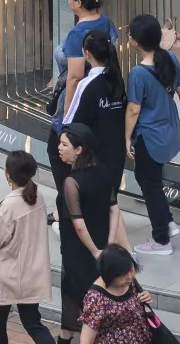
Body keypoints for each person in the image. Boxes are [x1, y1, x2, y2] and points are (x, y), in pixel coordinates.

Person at [124, 12, 180, 254]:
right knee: (155, 180)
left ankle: (161, 239)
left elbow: (133, 110)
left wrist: (126, 137)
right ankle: (168, 221)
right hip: (171, 132)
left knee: (149, 184)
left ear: (135, 41)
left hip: (150, 138)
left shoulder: (138, 73)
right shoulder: (171, 60)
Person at [54, 124, 129, 343]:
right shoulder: (103, 172)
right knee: (97, 293)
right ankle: (73, 335)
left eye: (64, 144)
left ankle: (69, 337)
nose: (59, 147)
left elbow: (78, 224)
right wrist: (108, 243)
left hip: (79, 250)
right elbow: (114, 208)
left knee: (75, 294)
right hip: (101, 246)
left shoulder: (72, 182)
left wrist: (95, 251)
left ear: (79, 150)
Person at [0, 149, 57, 344]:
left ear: (8, 174)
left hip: (7, 272)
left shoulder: (9, 205)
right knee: (33, 323)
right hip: (32, 273)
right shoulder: (38, 197)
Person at [53, 31, 127, 193]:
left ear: (86, 53)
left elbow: (71, 122)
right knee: (110, 200)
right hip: (116, 151)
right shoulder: (117, 79)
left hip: (93, 155)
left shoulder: (87, 83)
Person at [49, 0, 115, 118]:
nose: (68, 2)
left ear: (79, 3)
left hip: (80, 97)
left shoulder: (77, 34)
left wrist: (68, 114)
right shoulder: (106, 23)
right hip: (106, 91)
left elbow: (75, 78)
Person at [76, 246, 154, 344]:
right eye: (123, 274)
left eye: (131, 270)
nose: (130, 277)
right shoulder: (95, 299)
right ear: (110, 274)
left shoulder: (130, 282)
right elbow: (86, 340)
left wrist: (145, 296)